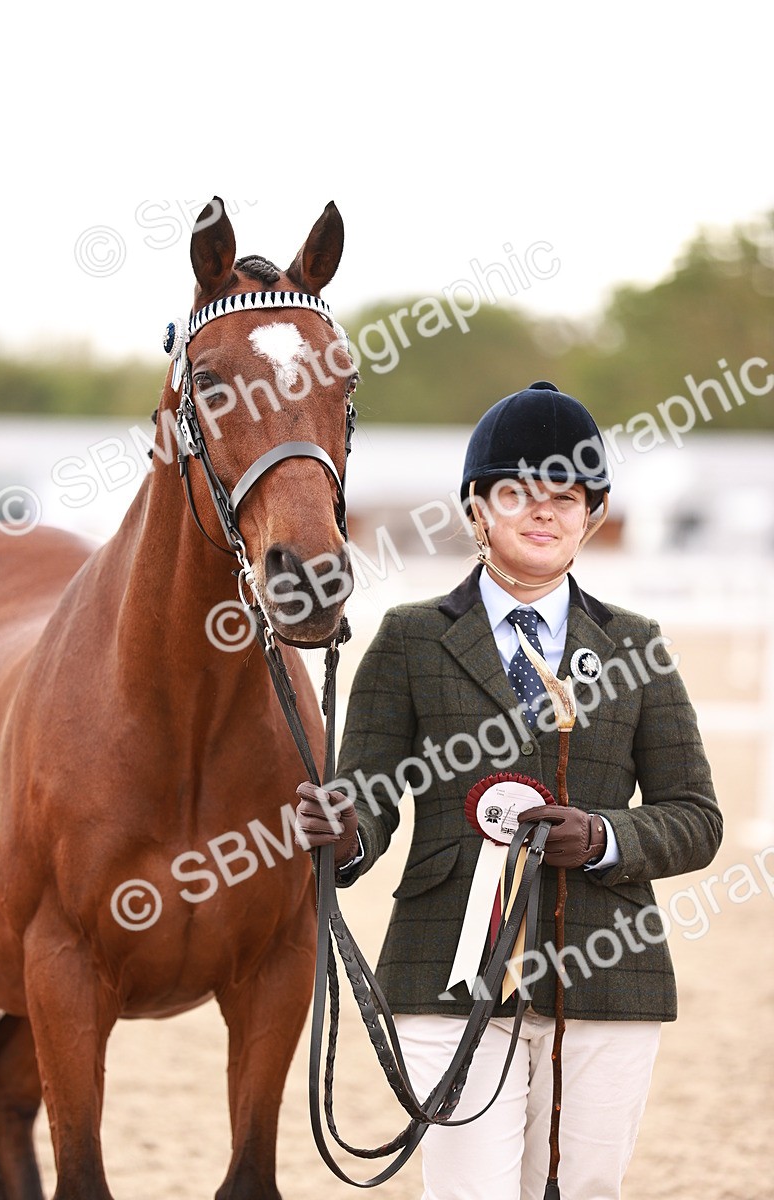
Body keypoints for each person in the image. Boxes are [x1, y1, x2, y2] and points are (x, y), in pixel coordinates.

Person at [295, 380, 722, 1200]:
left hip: (605, 973)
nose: (543, 512)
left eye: (567, 497)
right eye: (518, 491)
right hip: (445, 973)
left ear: (591, 515)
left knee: (584, 1190)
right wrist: (345, 830)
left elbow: (696, 818)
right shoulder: (412, 638)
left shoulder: (637, 645)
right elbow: (372, 792)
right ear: (477, 507)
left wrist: (604, 838)